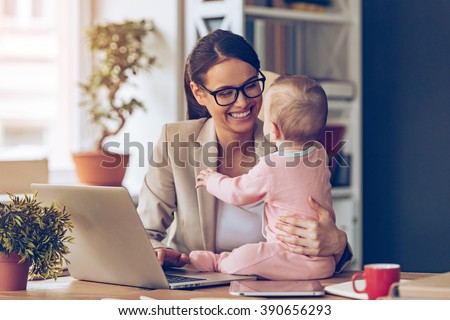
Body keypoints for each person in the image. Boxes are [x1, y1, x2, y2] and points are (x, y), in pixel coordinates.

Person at [137, 29, 352, 271]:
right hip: (199, 285)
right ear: (199, 93)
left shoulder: (293, 146)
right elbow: (144, 232)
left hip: (275, 287)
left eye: (250, 85)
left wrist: (338, 243)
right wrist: (158, 252)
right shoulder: (174, 141)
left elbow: (321, 224)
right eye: (226, 92)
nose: (242, 102)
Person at [189, 75, 335, 280]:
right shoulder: (319, 153)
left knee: (248, 256)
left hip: (287, 254)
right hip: (324, 262)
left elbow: (237, 192)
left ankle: (219, 261)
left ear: (273, 130)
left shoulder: (271, 167)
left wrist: (211, 180)